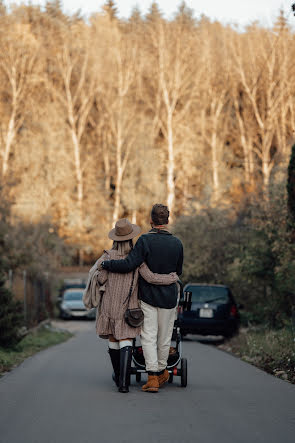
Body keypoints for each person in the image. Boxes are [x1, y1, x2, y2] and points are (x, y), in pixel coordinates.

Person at [101, 204, 183, 393]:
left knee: (148, 336)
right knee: (164, 338)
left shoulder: (145, 241)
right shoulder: (178, 243)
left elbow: (129, 264)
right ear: (168, 221)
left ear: (151, 220)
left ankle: (152, 377)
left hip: (148, 296)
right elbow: (178, 271)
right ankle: (162, 371)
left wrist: (107, 264)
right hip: (169, 297)